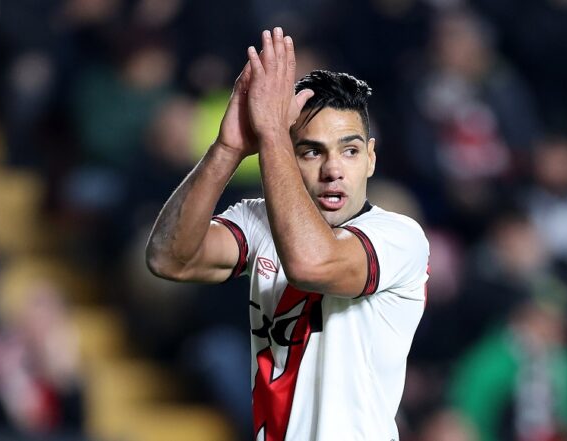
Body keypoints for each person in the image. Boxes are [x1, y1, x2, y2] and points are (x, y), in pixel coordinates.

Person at [145, 27, 430, 441]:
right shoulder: (257, 220)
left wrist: (274, 133)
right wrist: (228, 148)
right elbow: (169, 258)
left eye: (349, 151)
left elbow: (310, 263)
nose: (333, 169)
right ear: (287, 158)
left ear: (370, 158)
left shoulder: (399, 236)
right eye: (311, 150)